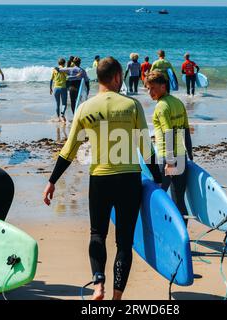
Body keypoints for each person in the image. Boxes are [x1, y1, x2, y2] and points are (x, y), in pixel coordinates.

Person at [43, 57, 162, 300]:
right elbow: (145, 147)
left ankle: (98, 284)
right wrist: (158, 180)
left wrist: (52, 181)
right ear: (118, 77)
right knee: (124, 242)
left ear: (98, 77)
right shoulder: (132, 105)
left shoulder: (85, 108)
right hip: (129, 180)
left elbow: (70, 149)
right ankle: (116, 298)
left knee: (97, 234)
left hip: (100, 179)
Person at [145, 70, 193, 225]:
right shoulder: (178, 102)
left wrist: (170, 162)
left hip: (168, 158)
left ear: (163, 86)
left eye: (152, 88)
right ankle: (182, 234)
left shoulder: (161, 107)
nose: (149, 92)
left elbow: (168, 132)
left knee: (156, 197)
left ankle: (157, 230)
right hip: (181, 157)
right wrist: (190, 156)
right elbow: (186, 130)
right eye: (148, 88)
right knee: (179, 200)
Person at [50, 58, 68, 122]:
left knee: (57, 104)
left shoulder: (54, 70)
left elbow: (51, 79)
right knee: (64, 104)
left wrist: (50, 88)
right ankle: (62, 115)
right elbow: (67, 78)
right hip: (63, 88)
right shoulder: (64, 69)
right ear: (64, 63)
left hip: (55, 88)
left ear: (58, 63)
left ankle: (58, 118)